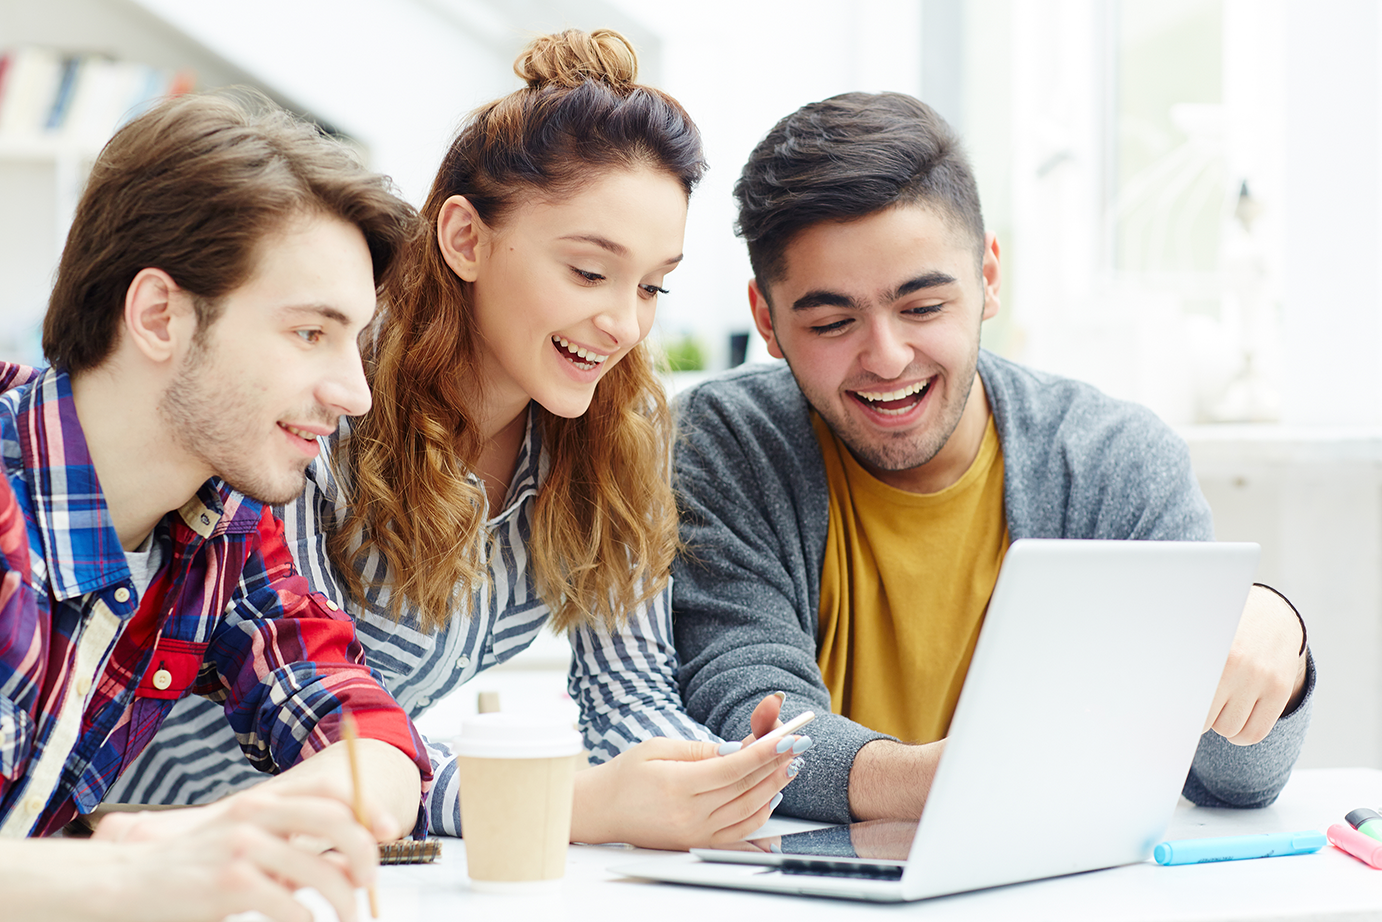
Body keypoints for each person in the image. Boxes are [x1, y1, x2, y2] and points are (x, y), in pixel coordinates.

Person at [108, 29, 805, 850]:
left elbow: (628, 693)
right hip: (141, 827)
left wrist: (713, 778)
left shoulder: (616, 431)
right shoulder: (324, 400)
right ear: (465, 238)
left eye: (653, 286)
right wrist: (569, 802)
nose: (624, 323)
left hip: (352, 841)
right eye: (589, 272)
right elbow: (316, 718)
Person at [671, 92, 1314, 824]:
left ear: (988, 279)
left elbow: (1232, 782)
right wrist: (957, 780)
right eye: (832, 321)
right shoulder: (726, 443)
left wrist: (1277, 641)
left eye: (923, 308)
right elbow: (745, 711)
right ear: (767, 320)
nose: (887, 357)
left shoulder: (1114, 460)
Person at [0, 91, 434, 922]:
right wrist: (130, 876)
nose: (356, 394)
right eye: (310, 333)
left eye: (355, 341)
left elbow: (375, 748)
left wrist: (210, 838)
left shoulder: (219, 528)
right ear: (159, 315)